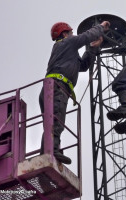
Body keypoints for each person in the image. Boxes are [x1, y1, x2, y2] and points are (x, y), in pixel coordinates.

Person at [39, 21, 110, 164]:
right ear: (65, 34)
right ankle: (50, 150)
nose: (73, 35)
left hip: (55, 88)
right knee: (56, 120)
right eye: (71, 33)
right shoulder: (66, 43)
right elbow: (87, 36)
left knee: (53, 121)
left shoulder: (68, 52)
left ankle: (51, 150)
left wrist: (92, 49)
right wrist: (101, 27)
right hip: (56, 87)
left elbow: (83, 66)